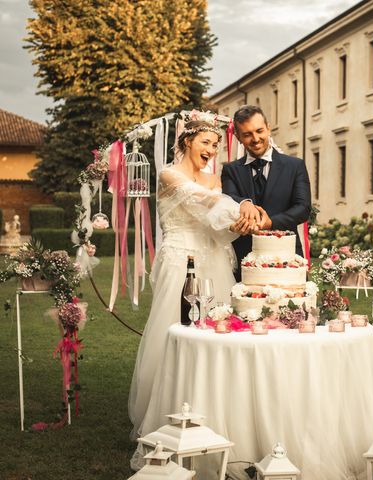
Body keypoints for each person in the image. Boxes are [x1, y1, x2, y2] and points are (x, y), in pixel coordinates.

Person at [128, 116, 241, 451]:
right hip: (180, 261)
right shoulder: (168, 174)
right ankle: (167, 411)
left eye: (216, 145)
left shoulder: (216, 177)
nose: (211, 150)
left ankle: (215, 408)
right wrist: (245, 210)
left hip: (215, 261)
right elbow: (206, 204)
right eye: (205, 142)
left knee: (216, 332)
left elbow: (220, 225)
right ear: (188, 141)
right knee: (174, 330)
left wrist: (243, 217)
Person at [222, 105, 312, 276]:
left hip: (287, 257)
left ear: (268, 128)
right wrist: (243, 203)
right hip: (245, 259)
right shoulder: (231, 170)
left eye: (259, 131)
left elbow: (303, 208)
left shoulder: (295, 166)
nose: (255, 138)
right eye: (247, 134)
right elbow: (228, 199)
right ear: (238, 137)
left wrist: (271, 223)